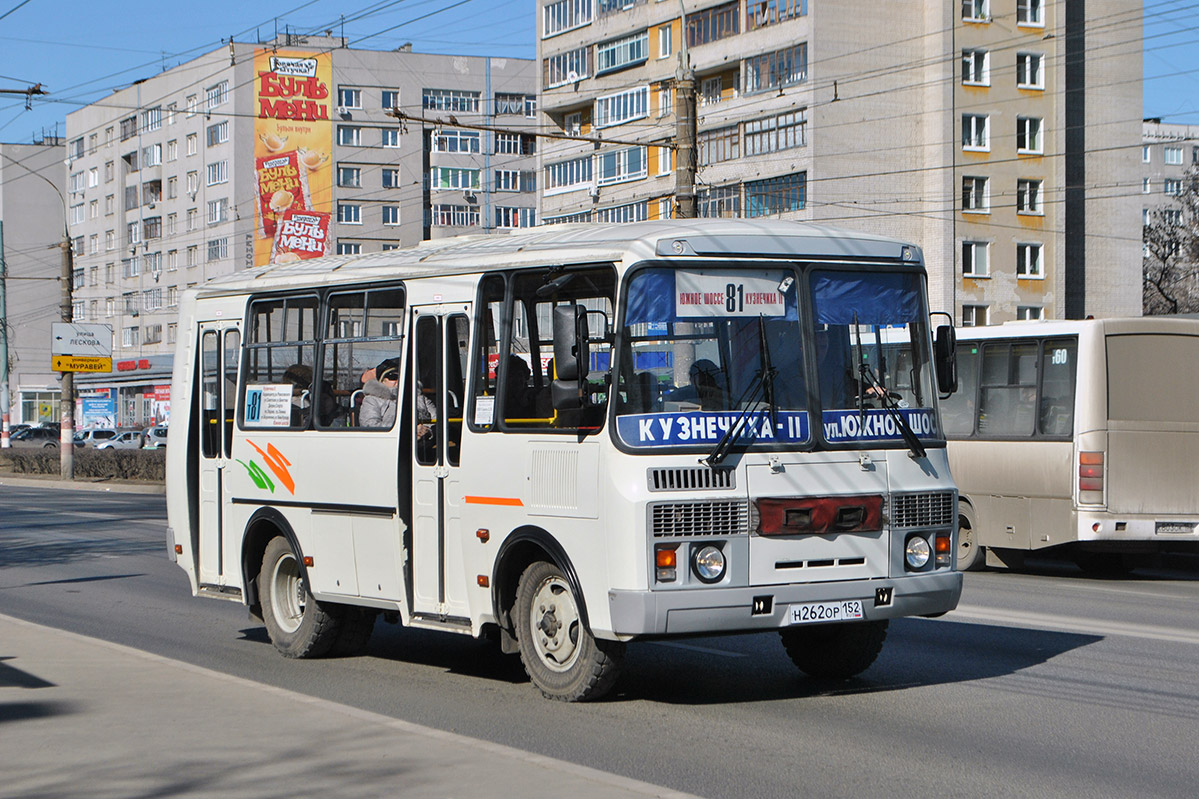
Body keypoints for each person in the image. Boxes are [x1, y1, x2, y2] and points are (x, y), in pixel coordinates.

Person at [360, 358, 399, 428]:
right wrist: (408, 429)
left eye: (401, 377)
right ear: (383, 380)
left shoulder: (416, 397)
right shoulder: (372, 400)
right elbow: (370, 426)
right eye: (393, 376)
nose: (398, 380)